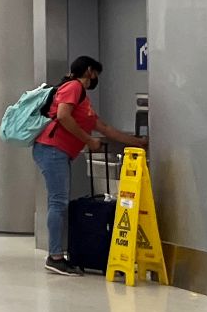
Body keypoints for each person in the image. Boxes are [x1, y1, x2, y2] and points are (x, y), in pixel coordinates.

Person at [34, 56, 147, 276]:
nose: (96, 79)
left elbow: (103, 127)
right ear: (89, 71)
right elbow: (63, 116)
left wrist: (138, 142)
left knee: (57, 201)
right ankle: (55, 257)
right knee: (58, 202)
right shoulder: (74, 87)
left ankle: (56, 254)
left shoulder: (82, 97)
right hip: (52, 149)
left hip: (57, 151)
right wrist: (88, 140)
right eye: (96, 73)